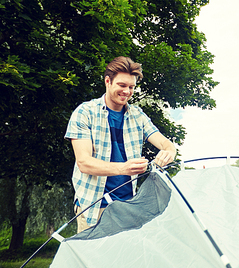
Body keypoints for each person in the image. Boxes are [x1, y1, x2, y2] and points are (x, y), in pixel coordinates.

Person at [65, 56, 176, 233]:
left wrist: (169, 151)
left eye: (131, 87)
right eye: (122, 85)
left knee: (127, 260)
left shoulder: (137, 115)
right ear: (107, 82)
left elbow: (164, 142)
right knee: (94, 261)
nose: (127, 91)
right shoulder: (85, 113)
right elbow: (84, 162)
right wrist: (124, 168)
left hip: (127, 208)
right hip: (94, 207)